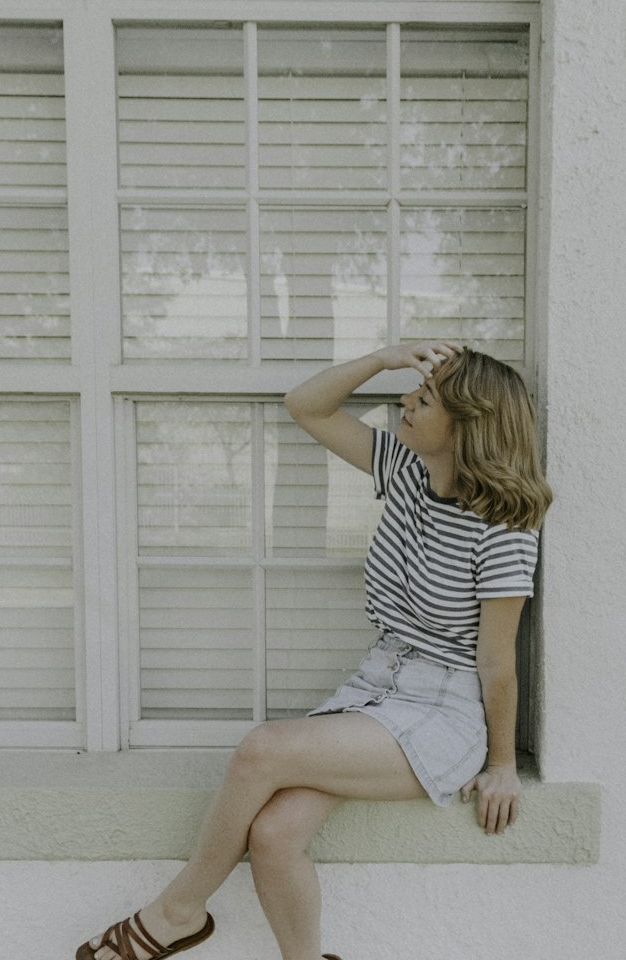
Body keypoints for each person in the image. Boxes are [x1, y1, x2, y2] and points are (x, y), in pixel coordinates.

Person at [76, 340, 552, 960]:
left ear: (465, 427)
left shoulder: (504, 528)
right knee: (274, 834)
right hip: (378, 687)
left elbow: (496, 662)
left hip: (446, 711)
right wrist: (385, 358)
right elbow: (306, 405)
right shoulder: (406, 470)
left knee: (261, 750)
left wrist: (502, 765)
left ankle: (176, 912)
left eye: (425, 397)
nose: (406, 400)